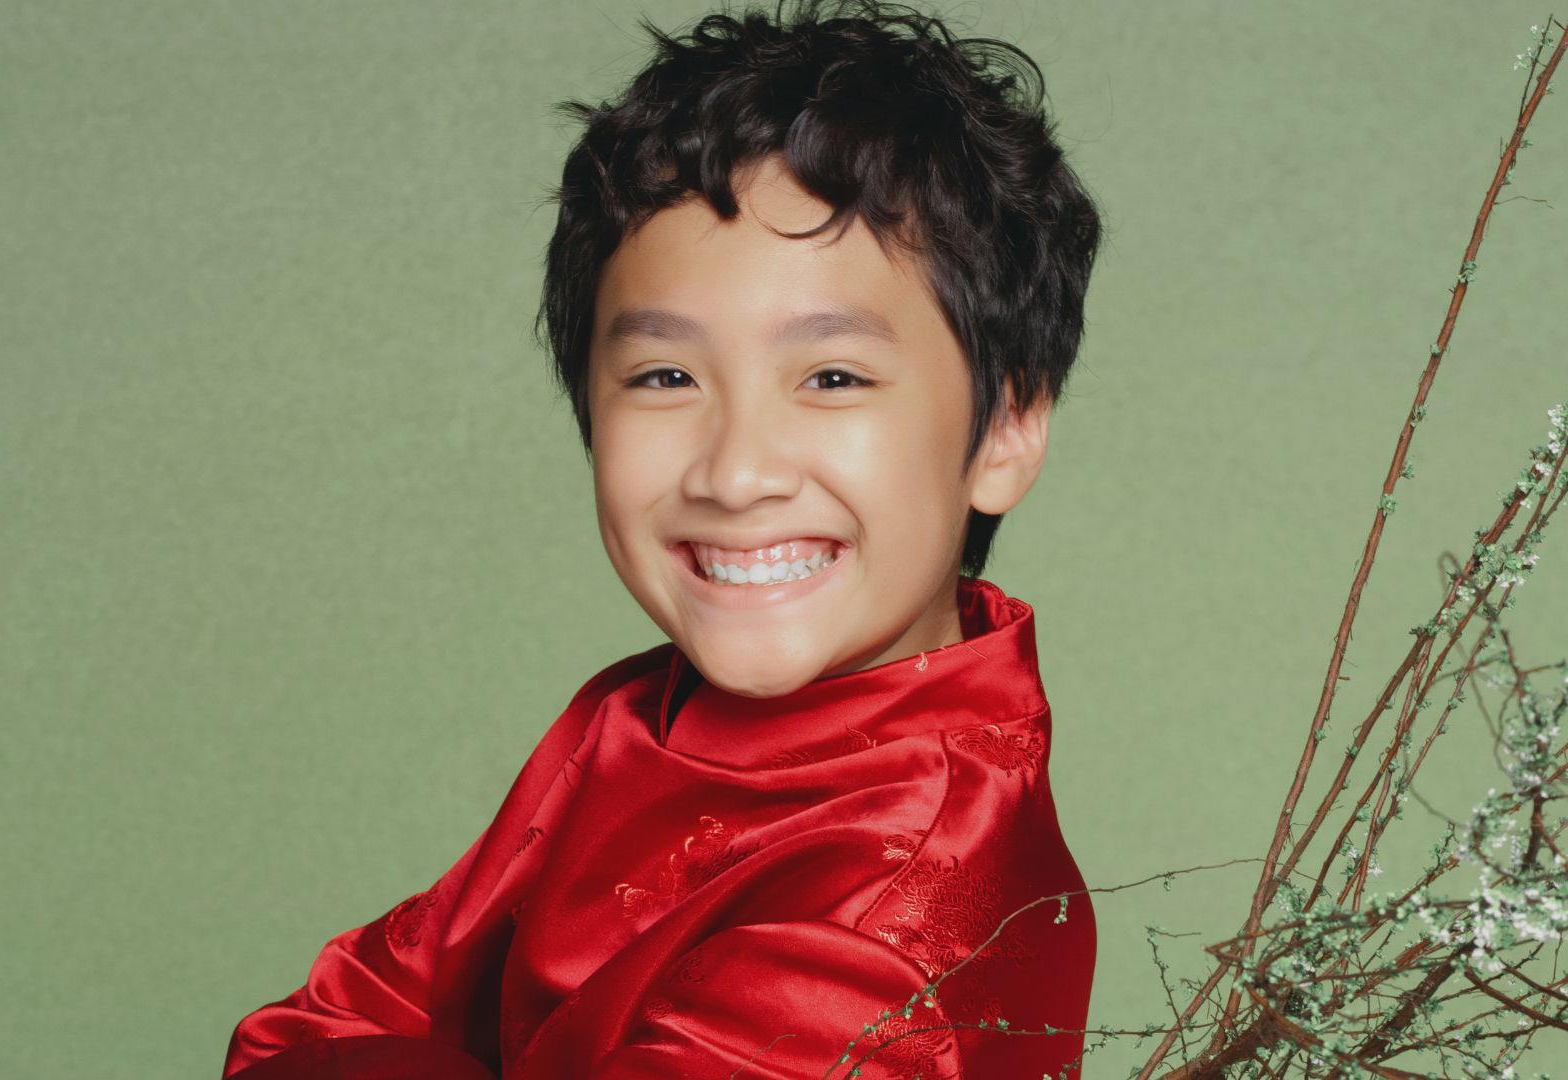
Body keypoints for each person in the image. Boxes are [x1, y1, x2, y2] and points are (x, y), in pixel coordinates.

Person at [222, 1, 1103, 1076]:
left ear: (1005, 427)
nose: (734, 472)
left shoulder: (900, 908)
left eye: (832, 377)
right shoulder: (643, 713)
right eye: (666, 376)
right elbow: (313, 1026)